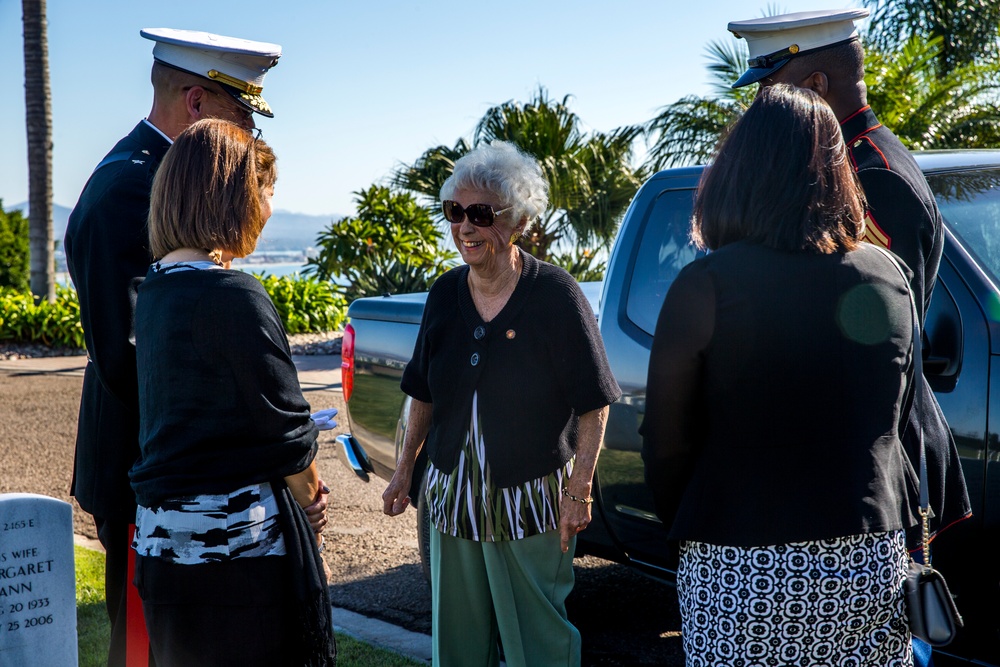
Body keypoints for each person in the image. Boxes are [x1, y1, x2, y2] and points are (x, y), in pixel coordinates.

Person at [63, 28, 327, 665]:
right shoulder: (127, 191)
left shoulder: (160, 184)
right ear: (195, 104)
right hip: (155, 477)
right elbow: (133, 360)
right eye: (242, 115)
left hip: (175, 479)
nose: (250, 137)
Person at [642, 84, 919, 665]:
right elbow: (895, 420)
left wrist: (691, 524)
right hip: (871, 556)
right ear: (840, 176)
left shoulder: (707, 285)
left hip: (741, 560)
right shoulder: (888, 275)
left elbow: (665, 441)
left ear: (737, 175)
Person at [727, 12, 972, 662]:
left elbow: (874, 352)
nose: (757, 109)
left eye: (766, 90)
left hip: (880, 470)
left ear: (811, 83)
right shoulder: (859, 162)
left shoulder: (875, 180)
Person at [381, 141, 621, 667]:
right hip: (449, 496)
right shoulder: (445, 295)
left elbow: (594, 404)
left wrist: (579, 493)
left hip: (530, 500)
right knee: (459, 642)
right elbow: (422, 390)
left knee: (539, 642)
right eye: (455, 212)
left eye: (481, 214)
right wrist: (403, 471)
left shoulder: (556, 295)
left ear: (515, 222)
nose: (465, 227)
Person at [129, 118, 336, 666]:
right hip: (237, 557)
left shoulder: (153, 293)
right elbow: (288, 434)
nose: (268, 210)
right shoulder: (235, 295)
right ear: (230, 196)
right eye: (264, 193)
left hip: (161, 545)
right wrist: (312, 504)